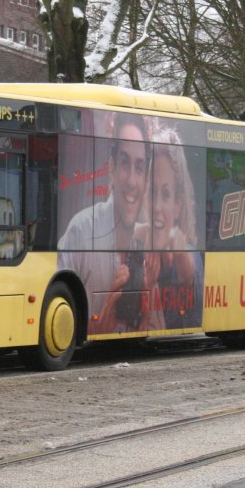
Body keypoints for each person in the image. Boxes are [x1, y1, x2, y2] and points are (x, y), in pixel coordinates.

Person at [58, 114, 150, 334]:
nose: (131, 182)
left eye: (139, 167)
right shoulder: (81, 231)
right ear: (111, 167)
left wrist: (146, 317)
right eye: (125, 163)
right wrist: (98, 328)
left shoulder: (150, 239)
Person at [137, 129, 204, 331]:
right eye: (152, 192)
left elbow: (188, 270)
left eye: (165, 194)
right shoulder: (136, 254)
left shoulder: (188, 253)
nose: (156, 206)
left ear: (178, 204)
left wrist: (177, 248)